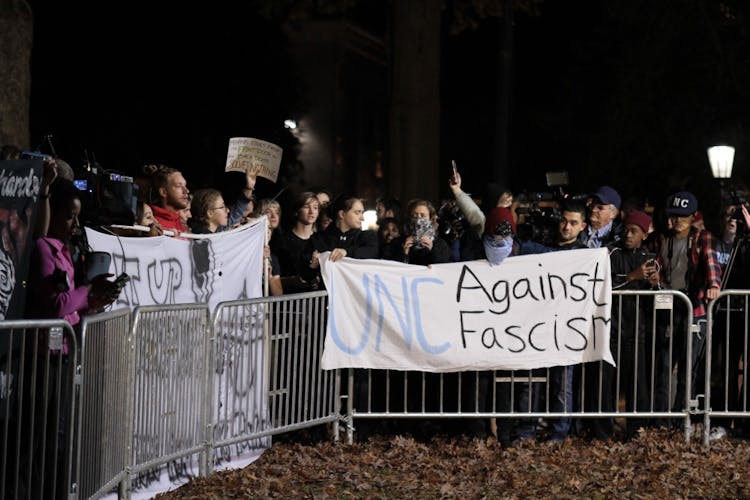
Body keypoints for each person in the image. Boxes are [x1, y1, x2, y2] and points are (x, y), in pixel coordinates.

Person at [515, 201, 588, 443]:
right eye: (564, 221)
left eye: (573, 223)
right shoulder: (544, 246)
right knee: (531, 380)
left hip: (566, 327)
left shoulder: (585, 254)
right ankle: (526, 429)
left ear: (582, 226)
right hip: (538, 324)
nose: (567, 227)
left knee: (562, 382)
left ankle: (559, 432)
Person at [588, 210, 659, 439]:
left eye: (634, 231)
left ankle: (636, 429)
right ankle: (601, 431)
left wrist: (656, 284)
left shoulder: (649, 257)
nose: (628, 235)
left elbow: (657, 296)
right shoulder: (610, 252)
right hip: (610, 327)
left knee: (637, 383)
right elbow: (602, 285)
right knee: (603, 382)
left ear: (644, 235)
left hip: (636, 329)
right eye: (626, 230)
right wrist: (631, 277)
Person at [653, 191, 721, 417]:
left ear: (693, 216)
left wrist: (713, 284)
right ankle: (662, 419)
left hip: (695, 307)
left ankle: (682, 417)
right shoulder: (661, 238)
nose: (677, 220)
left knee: (688, 366)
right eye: (673, 215)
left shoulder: (702, 237)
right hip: (667, 306)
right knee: (663, 364)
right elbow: (650, 261)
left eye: (683, 216)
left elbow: (711, 262)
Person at [271, 191, 322, 293]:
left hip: (314, 298)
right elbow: (275, 276)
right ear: (296, 211)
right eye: (306, 207)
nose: (312, 211)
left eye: (315, 208)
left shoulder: (321, 240)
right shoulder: (282, 241)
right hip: (288, 297)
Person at [382, 199, 451, 265]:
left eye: (423, 215)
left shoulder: (440, 245)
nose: (418, 219)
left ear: (430, 219)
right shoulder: (398, 243)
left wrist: (432, 251)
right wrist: (404, 253)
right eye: (414, 216)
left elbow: (444, 267)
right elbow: (389, 265)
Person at [143, 164, 190, 234]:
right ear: (163, 192)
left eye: (185, 185)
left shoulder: (181, 222)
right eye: (179, 186)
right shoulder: (153, 225)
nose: (186, 191)